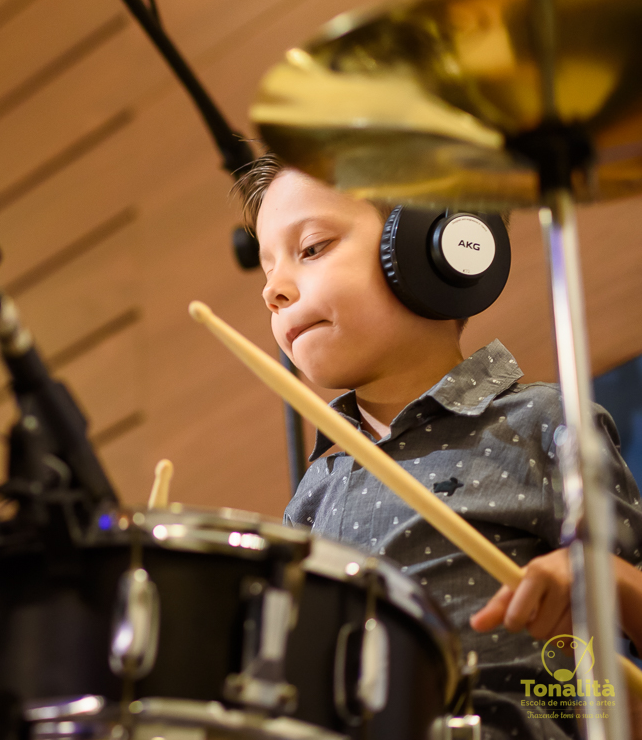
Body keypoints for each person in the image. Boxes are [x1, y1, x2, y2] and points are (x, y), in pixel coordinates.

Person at [236, 152, 642, 739]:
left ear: (437, 241)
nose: (273, 290)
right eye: (267, 269)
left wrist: (604, 577)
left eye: (313, 247)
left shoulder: (543, 424)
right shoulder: (313, 496)